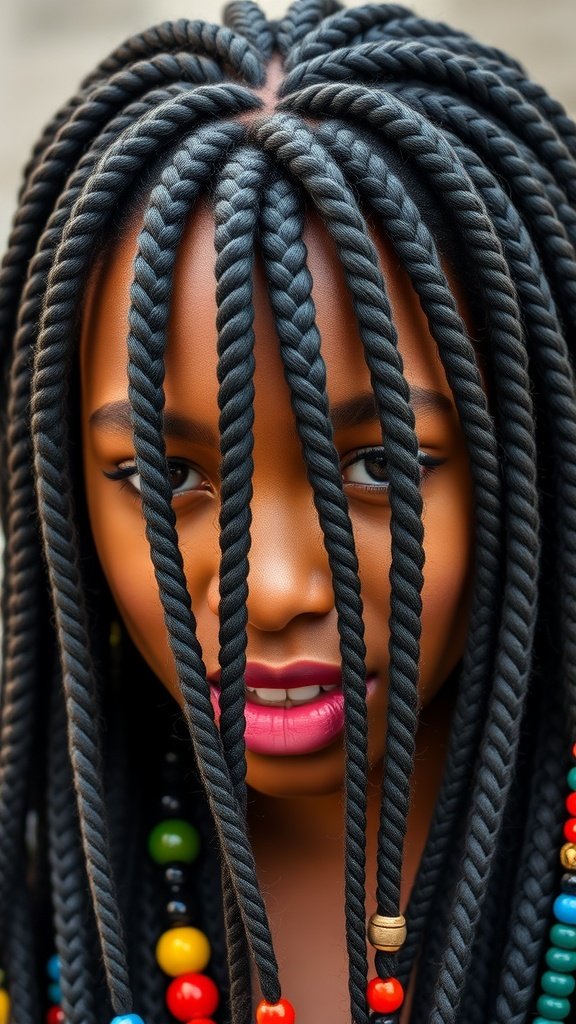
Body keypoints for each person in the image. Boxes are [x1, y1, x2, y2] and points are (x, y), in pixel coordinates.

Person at [0, 1, 575, 1022]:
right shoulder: (38, 915)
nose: (272, 590)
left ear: (534, 457)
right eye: (163, 479)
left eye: (377, 467)